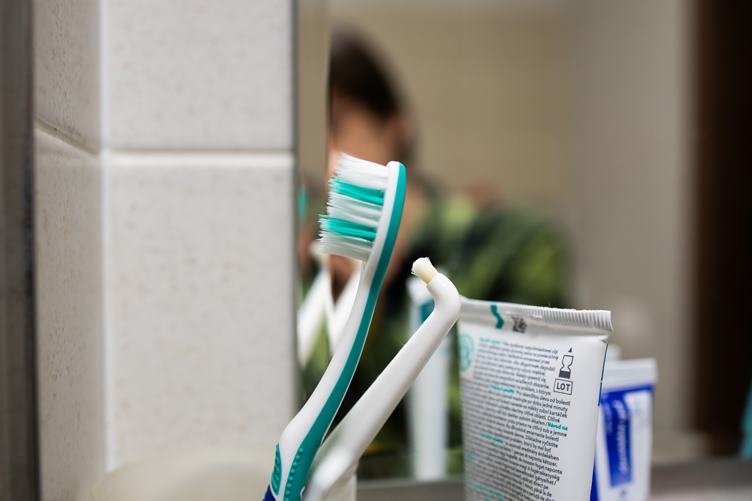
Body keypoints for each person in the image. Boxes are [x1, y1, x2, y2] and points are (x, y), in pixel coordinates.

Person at [300, 27, 568, 478]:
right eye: (307, 136)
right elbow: (294, 429)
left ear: (395, 124)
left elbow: (525, 428)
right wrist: (351, 304)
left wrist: (379, 306)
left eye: (337, 124)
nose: (324, 160)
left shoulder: (512, 244)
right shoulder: (308, 269)